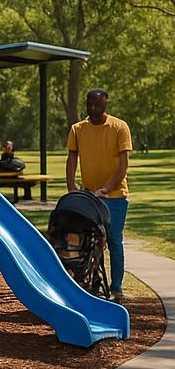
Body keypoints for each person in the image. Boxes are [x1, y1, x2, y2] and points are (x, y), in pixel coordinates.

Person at [66, 89, 132, 302]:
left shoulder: (119, 127)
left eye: (98, 105)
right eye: (90, 105)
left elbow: (123, 165)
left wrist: (106, 188)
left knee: (113, 240)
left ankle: (116, 288)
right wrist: (72, 188)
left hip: (115, 197)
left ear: (106, 104)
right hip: (89, 197)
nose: (93, 109)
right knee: (91, 242)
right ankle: (94, 283)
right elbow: (72, 158)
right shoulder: (78, 129)